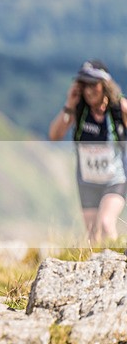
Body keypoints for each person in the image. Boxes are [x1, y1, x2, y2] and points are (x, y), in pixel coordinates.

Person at [49, 59, 127, 242]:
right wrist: (69, 103)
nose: (89, 90)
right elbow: (54, 136)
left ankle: (121, 264)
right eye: (84, 85)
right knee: (92, 235)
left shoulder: (119, 108)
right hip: (87, 182)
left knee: (106, 224)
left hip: (116, 179)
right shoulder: (79, 111)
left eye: (94, 84)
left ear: (105, 85)